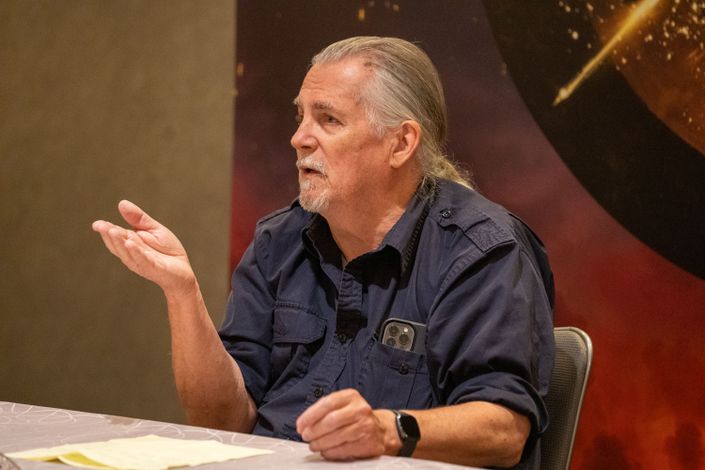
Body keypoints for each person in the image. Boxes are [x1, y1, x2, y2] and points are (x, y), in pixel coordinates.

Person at [93, 36, 554, 469]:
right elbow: (223, 422)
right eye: (301, 117)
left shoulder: (479, 250)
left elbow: (505, 430)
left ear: (401, 143)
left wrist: (388, 431)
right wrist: (183, 294)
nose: (299, 138)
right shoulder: (280, 240)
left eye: (328, 120)